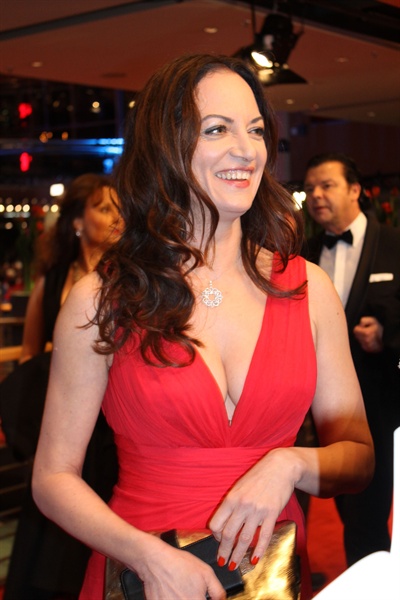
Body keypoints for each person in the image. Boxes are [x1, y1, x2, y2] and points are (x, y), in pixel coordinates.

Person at [32, 55, 374, 600]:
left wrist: (289, 464)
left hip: (271, 576)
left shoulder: (309, 288)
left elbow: (357, 457)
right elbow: (52, 478)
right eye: (217, 129)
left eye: (256, 130)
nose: (247, 150)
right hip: (146, 575)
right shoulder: (102, 298)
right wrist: (147, 556)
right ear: (165, 146)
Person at [2, 173, 123, 599]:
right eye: (103, 208)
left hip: (113, 426)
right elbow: (29, 352)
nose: (116, 218)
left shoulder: (132, 279)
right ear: (76, 220)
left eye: (119, 208)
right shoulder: (52, 280)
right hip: (66, 419)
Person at [303, 152, 400, 567]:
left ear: (355, 190)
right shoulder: (304, 253)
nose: (315, 195)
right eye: (309, 188)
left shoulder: (394, 243)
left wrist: (387, 335)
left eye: (326, 186)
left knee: (368, 516)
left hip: (382, 403)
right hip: (321, 409)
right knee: (345, 507)